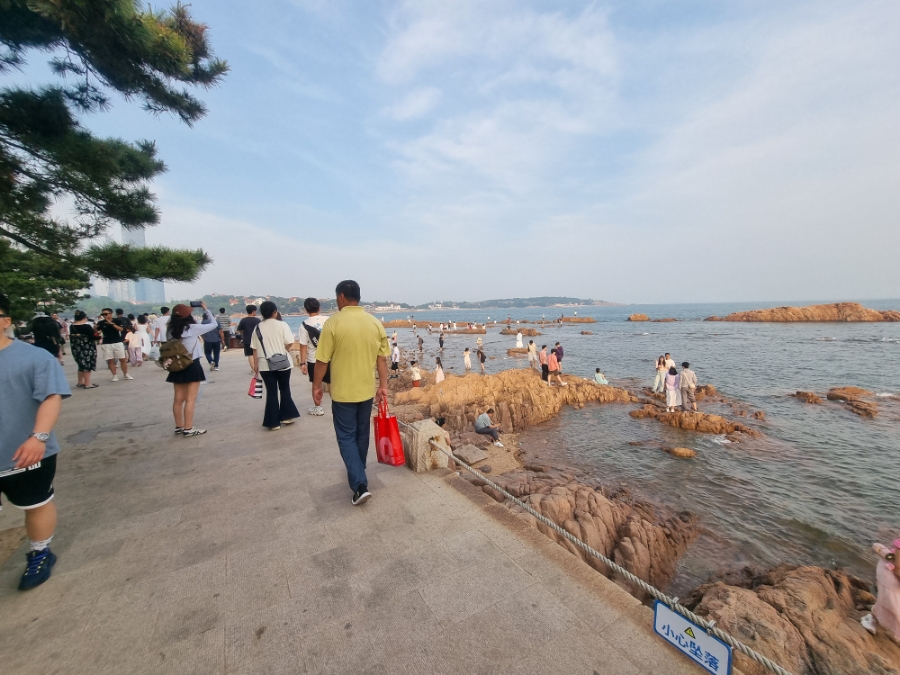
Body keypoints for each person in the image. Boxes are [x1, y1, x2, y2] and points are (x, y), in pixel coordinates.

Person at [0, 293, 71, 590]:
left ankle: (40, 551)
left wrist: (38, 437)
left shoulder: (33, 357)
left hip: (25, 451)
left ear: (5, 321)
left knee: (36, 502)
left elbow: (52, 397)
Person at [313, 280, 390, 506]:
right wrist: (383, 386)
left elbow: (321, 361)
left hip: (343, 394)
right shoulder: (375, 323)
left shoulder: (333, 324)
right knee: (361, 434)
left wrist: (316, 386)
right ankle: (359, 471)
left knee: (346, 436)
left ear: (341, 298)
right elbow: (382, 359)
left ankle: (359, 485)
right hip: (366, 391)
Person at [166, 303, 219, 436]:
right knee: (191, 398)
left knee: (178, 398)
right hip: (192, 363)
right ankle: (189, 428)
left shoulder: (170, 330)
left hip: (177, 364)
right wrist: (206, 309)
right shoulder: (192, 328)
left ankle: (179, 426)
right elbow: (214, 324)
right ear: (188, 315)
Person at [251, 301, 300, 431]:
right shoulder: (282, 325)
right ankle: (287, 416)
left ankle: (273, 422)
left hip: (264, 364)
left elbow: (254, 349)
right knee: (284, 388)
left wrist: (255, 365)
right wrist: (285, 350)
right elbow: (290, 342)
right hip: (283, 362)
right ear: (275, 312)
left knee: (271, 392)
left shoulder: (257, 328)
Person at [861, 539, 900, 639]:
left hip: (893, 577)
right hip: (890, 576)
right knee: (891, 604)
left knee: (889, 603)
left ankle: (873, 620)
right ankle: (872, 620)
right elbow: (898, 568)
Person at [298, 297, 329, 417]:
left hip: (313, 359)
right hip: (330, 358)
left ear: (306, 310)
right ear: (319, 308)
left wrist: (302, 363)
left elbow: (303, 346)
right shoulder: (329, 320)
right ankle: (338, 405)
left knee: (316, 384)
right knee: (333, 382)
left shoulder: (304, 325)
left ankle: (318, 407)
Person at [96, 308, 131, 381]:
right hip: (106, 343)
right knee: (110, 360)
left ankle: (126, 374)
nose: (104, 316)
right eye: (103, 314)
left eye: (105, 314)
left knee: (122, 359)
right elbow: (97, 331)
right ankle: (114, 375)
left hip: (117, 342)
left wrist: (112, 324)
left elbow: (121, 329)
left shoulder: (117, 321)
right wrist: (95, 327)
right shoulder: (101, 323)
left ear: (110, 314)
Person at [69, 310, 100, 388]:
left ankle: (80, 382)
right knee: (87, 365)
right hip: (87, 348)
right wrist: (99, 335)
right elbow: (93, 337)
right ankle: (88, 383)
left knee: (80, 364)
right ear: (84, 317)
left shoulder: (72, 326)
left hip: (76, 348)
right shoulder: (86, 326)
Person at [235, 305, 261, 374]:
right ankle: (257, 367)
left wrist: (243, 335)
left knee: (250, 355)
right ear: (253, 311)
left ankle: (253, 369)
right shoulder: (258, 320)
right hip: (257, 340)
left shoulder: (243, 320)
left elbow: (239, 330)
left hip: (247, 339)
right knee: (257, 354)